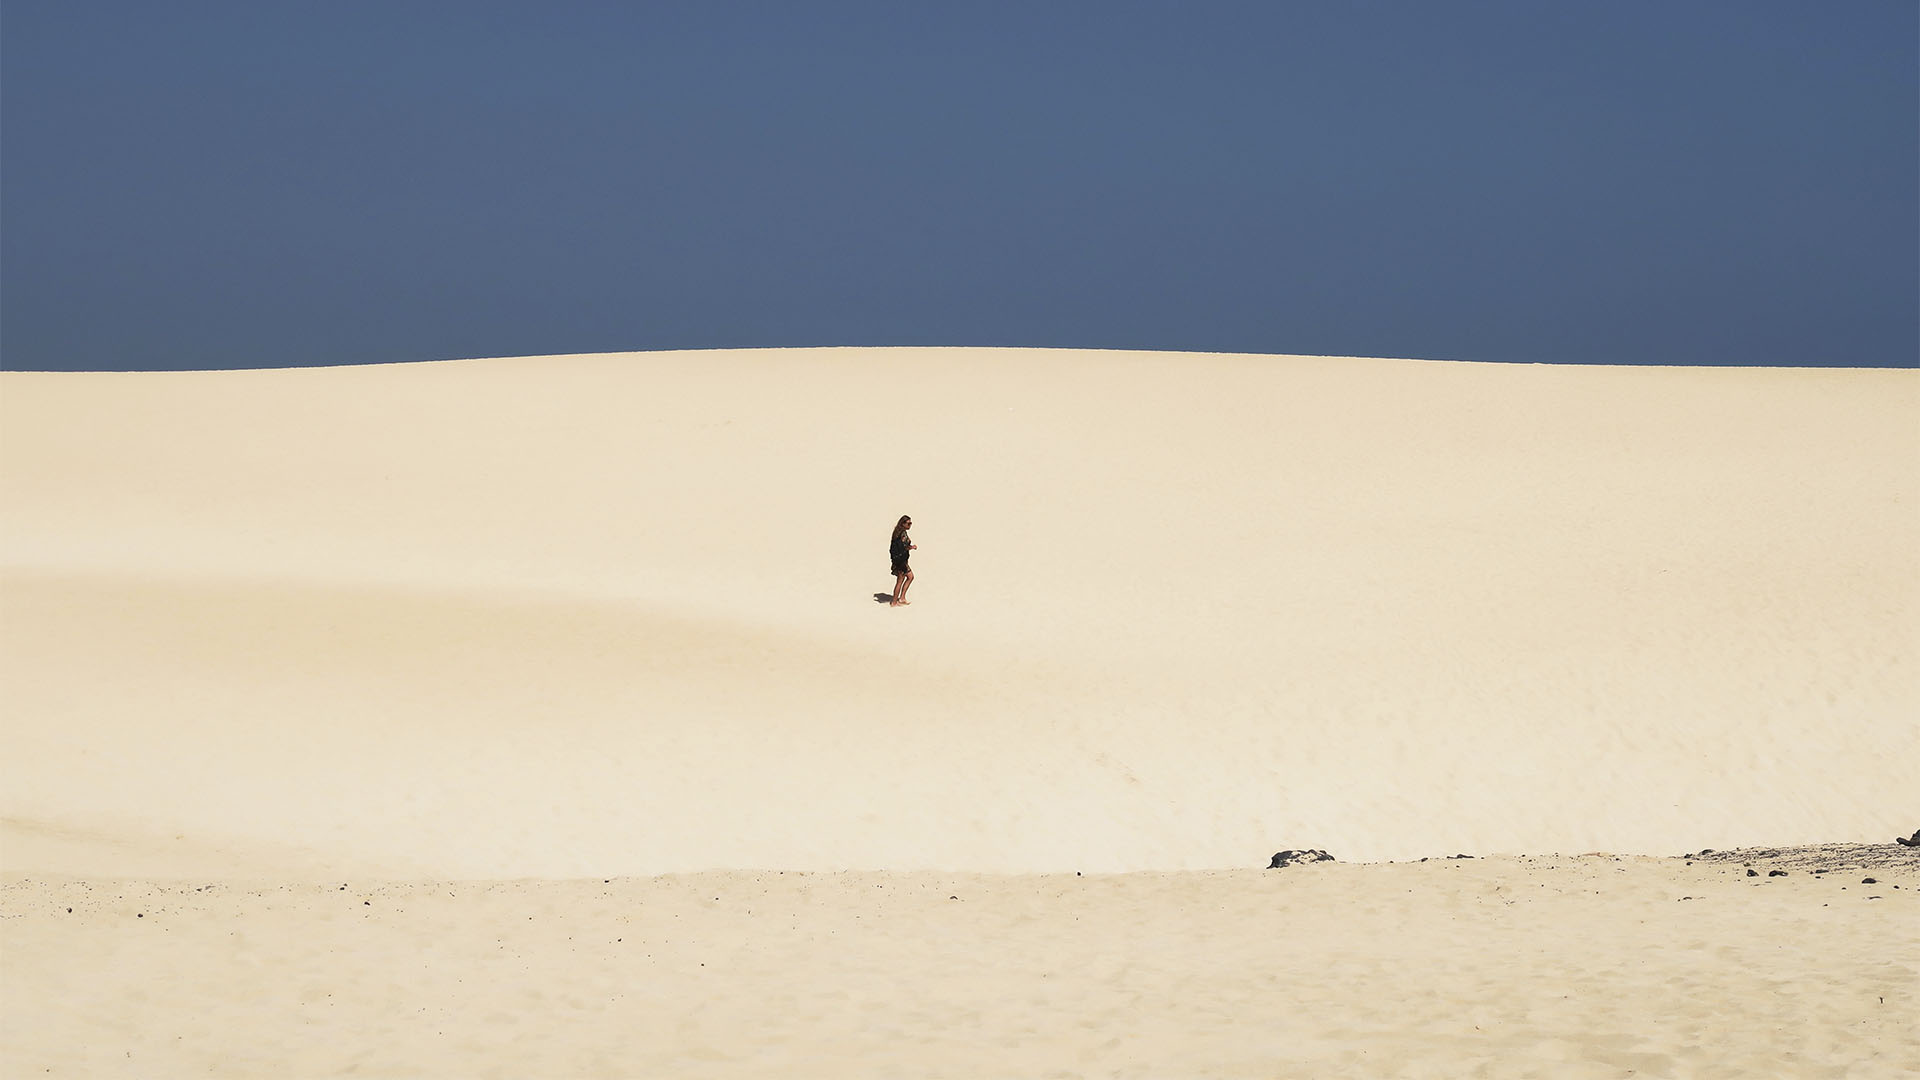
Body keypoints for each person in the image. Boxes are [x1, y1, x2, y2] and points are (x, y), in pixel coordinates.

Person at [889, 515, 916, 606]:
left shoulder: (898, 532)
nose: (910, 525)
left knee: (909, 577)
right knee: (901, 579)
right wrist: (912, 547)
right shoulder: (902, 533)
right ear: (903, 523)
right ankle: (894, 602)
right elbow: (904, 547)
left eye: (911, 523)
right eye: (908, 523)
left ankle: (902, 598)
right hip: (901, 561)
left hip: (900, 560)